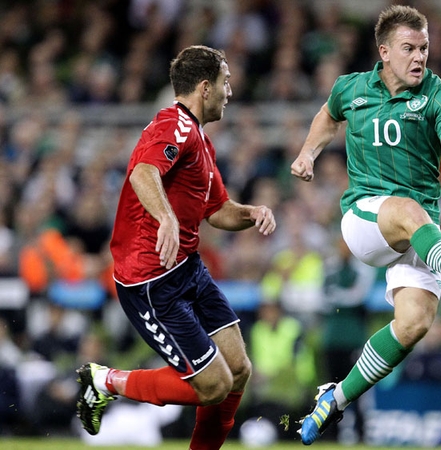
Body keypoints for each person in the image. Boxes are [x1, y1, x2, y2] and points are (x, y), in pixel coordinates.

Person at [290, 5, 441, 445]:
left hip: (419, 231)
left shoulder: (440, 95)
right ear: (384, 51)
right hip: (364, 219)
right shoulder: (350, 89)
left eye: (424, 48)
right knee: (411, 210)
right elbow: (328, 116)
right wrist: (307, 154)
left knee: (412, 324)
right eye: (409, 49)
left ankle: (335, 399)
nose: (419, 58)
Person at [75, 45, 277, 450]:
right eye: (226, 83)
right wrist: (166, 217)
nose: (230, 93)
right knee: (213, 385)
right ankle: (103, 380)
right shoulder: (173, 125)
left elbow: (218, 210)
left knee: (237, 368)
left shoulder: (200, 141)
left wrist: (252, 212)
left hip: (188, 268)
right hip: (151, 281)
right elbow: (143, 172)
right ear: (205, 87)